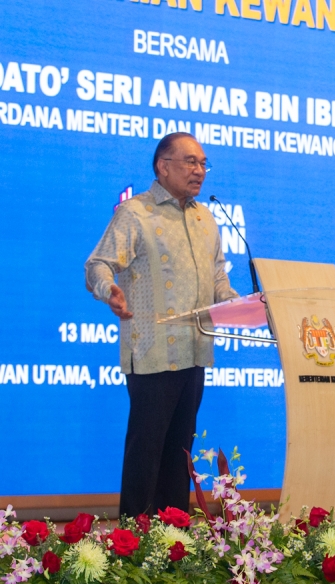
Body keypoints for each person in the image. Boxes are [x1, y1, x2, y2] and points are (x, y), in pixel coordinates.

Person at [85, 132, 238, 518]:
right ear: (162, 166)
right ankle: (133, 541)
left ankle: (173, 540)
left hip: (194, 350)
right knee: (146, 452)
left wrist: (242, 304)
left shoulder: (206, 219)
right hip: (153, 354)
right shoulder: (136, 213)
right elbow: (97, 265)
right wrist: (109, 291)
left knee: (180, 454)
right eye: (190, 162)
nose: (199, 171)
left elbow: (218, 279)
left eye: (203, 163)